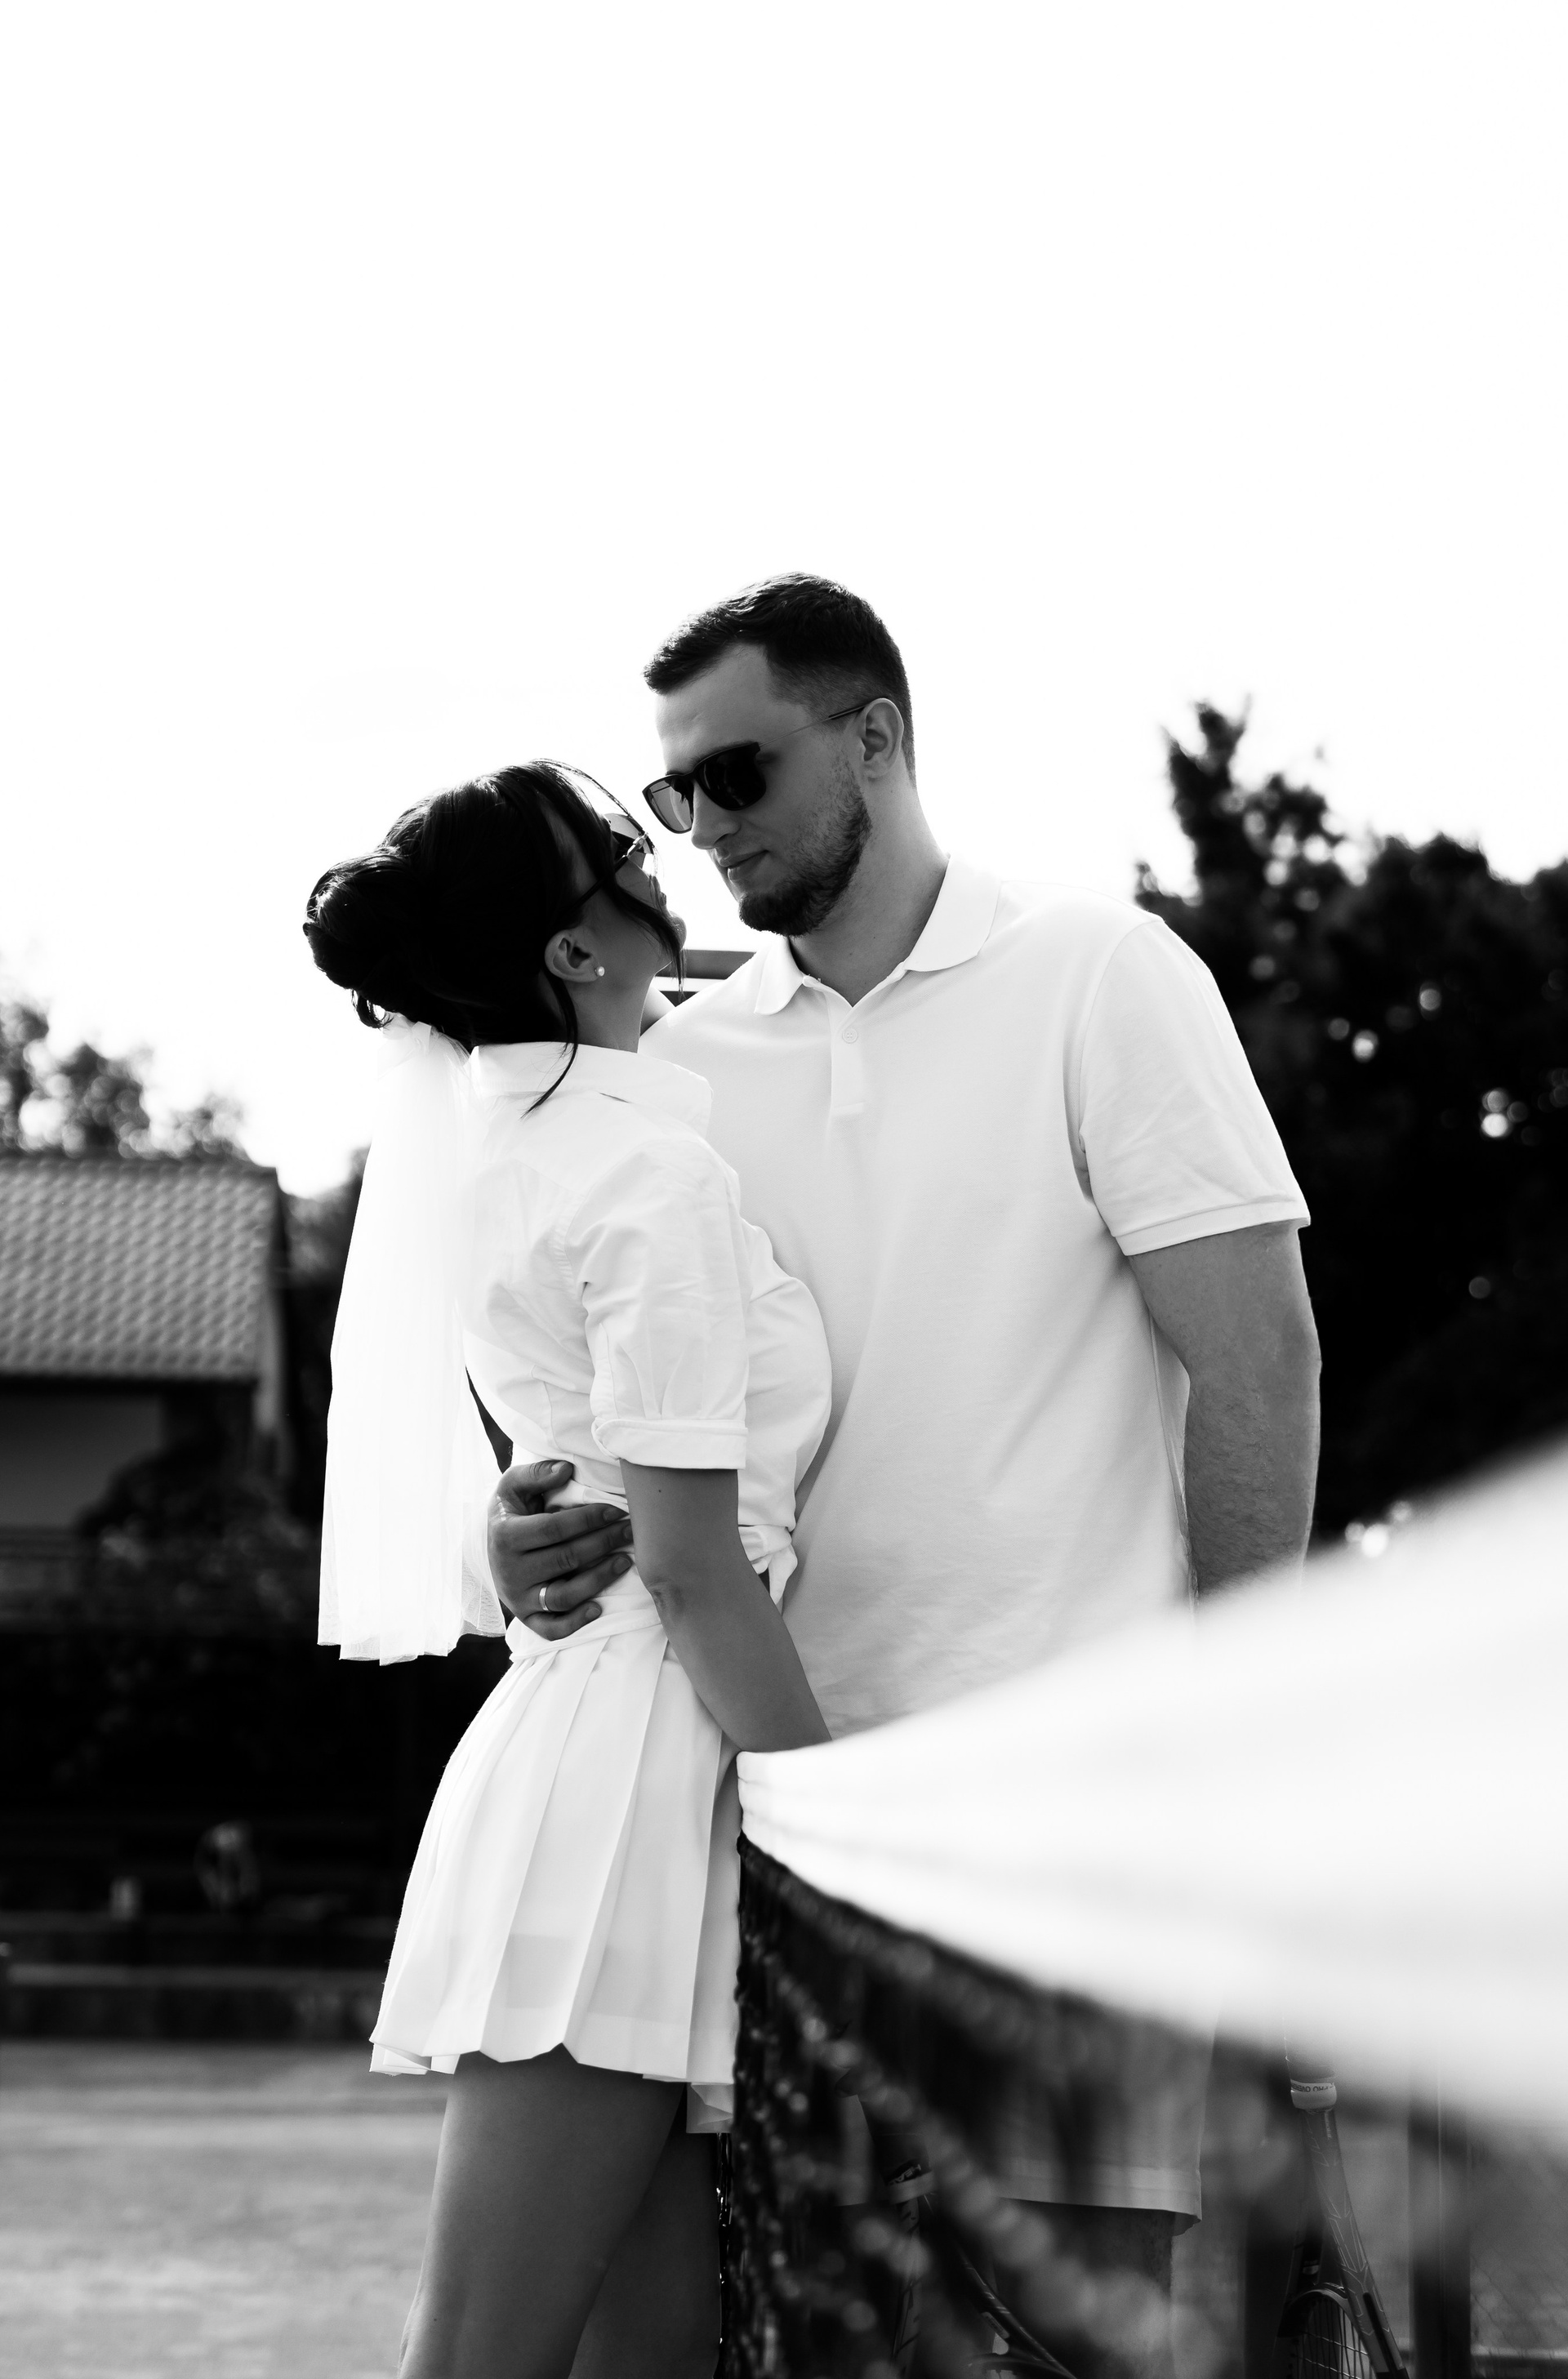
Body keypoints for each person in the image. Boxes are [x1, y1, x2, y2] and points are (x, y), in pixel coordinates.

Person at [486, 578, 1321, 2379]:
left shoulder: (1102, 975)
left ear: (875, 736)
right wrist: (525, 1523)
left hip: (1067, 1824)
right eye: (674, 794)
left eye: (736, 773)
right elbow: (613, 1391)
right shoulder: (676, 1066)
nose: (701, 826)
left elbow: (1260, 1366)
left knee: (1074, 2342)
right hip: (749, 1826)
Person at [303, 761, 832, 2379]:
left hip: (625, 1745)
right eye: (612, 852)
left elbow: (584, 1463)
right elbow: (688, 1562)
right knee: (484, 2349)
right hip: (629, 1776)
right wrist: (849, 1844)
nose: (652, 859)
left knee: (650, 2351)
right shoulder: (641, 1171)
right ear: (574, 950)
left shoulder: (518, 1146)